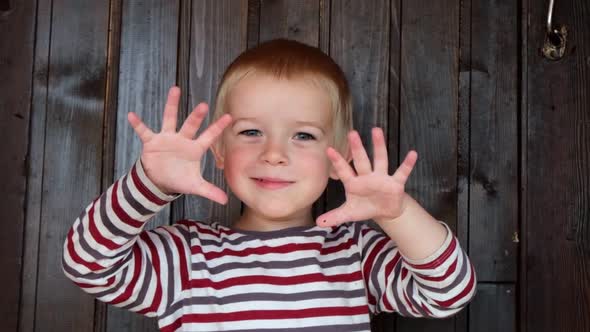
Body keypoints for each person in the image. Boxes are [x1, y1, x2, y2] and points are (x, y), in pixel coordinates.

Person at [63, 39, 477, 332]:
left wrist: (398, 213)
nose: (275, 153)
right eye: (250, 132)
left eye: (303, 136)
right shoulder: (187, 258)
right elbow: (87, 266)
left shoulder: (355, 253)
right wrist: (149, 183)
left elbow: (448, 294)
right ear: (219, 151)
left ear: (340, 158)